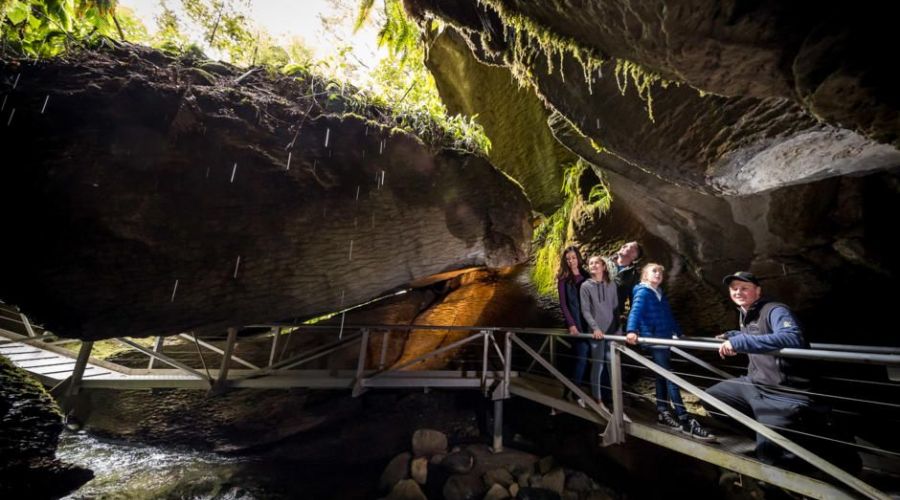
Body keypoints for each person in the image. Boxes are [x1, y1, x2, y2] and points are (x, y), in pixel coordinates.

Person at [704, 271, 813, 465]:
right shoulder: (746, 313)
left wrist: (740, 342)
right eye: (734, 288)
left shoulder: (775, 310)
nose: (738, 292)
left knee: (770, 458)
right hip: (754, 384)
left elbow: (792, 337)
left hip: (781, 392)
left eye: (744, 288)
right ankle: (761, 433)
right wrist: (733, 335)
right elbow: (758, 333)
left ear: (758, 291)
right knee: (712, 398)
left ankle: (789, 454)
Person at [625, 263, 715, 441]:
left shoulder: (659, 293)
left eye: (660, 272)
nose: (658, 274)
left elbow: (668, 316)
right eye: (654, 271)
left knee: (661, 376)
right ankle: (684, 419)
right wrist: (631, 330)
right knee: (670, 377)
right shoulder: (643, 292)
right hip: (654, 339)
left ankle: (663, 412)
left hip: (664, 338)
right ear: (644, 275)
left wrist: (679, 333)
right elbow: (635, 312)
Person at [579, 255, 618, 408]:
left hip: (611, 332)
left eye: (596, 263)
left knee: (612, 365)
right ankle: (597, 398)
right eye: (591, 263)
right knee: (598, 365)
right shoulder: (585, 286)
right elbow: (585, 310)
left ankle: (616, 400)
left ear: (603, 266)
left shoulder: (612, 285)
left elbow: (615, 309)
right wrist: (595, 328)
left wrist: (618, 331)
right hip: (596, 332)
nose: (593, 265)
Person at [557, 245, 590, 404]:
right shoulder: (563, 278)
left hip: (589, 321)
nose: (571, 261)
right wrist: (571, 324)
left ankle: (571, 390)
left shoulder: (586, 275)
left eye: (573, 258)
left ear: (578, 258)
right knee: (581, 355)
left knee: (587, 357)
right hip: (576, 321)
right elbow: (563, 304)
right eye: (568, 259)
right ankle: (575, 393)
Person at [607, 241, 642, 322]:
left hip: (612, 317)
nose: (623, 246)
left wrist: (629, 319)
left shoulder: (634, 276)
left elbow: (634, 301)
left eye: (630, 247)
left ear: (634, 256)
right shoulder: (603, 263)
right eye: (625, 245)